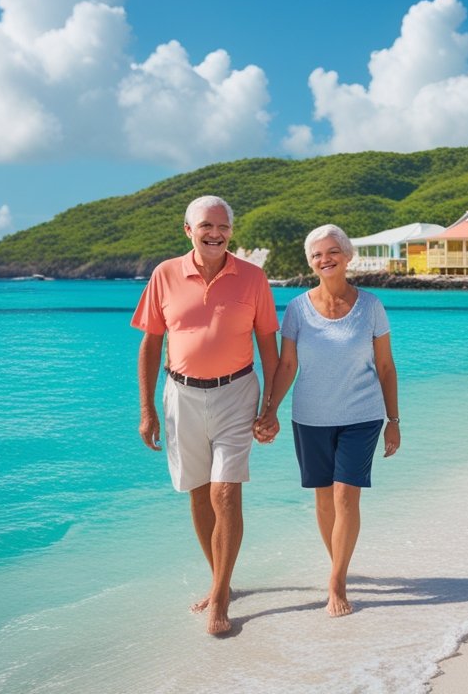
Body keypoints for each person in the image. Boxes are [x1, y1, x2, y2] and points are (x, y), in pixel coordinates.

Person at [131, 195, 280, 635]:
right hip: (180, 396)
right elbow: (151, 344)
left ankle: (219, 598)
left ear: (231, 231)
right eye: (206, 226)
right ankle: (223, 581)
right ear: (188, 231)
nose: (215, 233)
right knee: (198, 493)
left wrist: (270, 408)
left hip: (237, 393)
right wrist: (146, 411)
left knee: (225, 494)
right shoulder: (164, 275)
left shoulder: (252, 277)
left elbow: (269, 348)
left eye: (223, 226)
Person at [261, 224, 400, 617]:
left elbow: (386, 367)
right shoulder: (297, 309)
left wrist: (394, 419)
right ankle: (339, 562)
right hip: (310, 417)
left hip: (362, 415)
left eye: (332, 251)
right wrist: (269, 408)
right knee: (323, 498)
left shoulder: (371, 306)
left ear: (347, 255)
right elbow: (287, 364)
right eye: (317, 254)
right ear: (310, 262)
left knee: (344, 494)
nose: (326, 259)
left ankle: (336, 582)